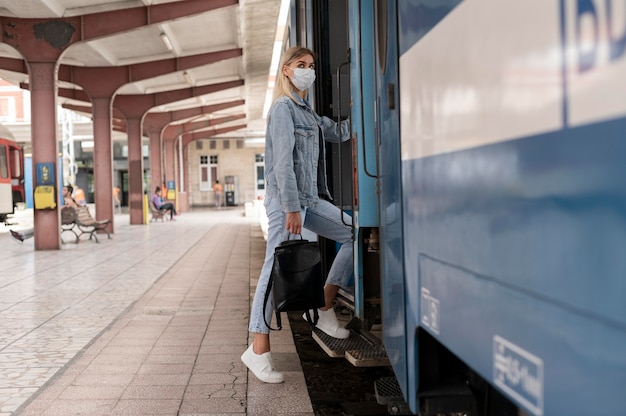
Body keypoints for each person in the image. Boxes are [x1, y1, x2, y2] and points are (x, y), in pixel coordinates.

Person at [241, 46, 353, 384]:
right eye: (300, 65)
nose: (308, 70)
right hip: (286, 202)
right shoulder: (282, 110)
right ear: (287, 71)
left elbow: (339, 132)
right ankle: (258, 349)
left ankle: (324, 307)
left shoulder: (307, 112)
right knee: (273, 270)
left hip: (310, 199)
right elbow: (281, 165)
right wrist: (291, 208)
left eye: (311, 66)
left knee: (351, 233)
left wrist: (366, 103)